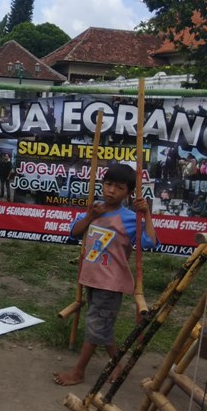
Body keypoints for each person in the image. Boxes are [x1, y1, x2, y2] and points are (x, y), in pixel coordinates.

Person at [53, 163, 159, 386]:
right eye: (108, 184)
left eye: (119, 187)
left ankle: (78, 371)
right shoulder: (95, 209)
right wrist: (90, 216)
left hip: (110, 283)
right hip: (91, 279)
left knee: (96, 327)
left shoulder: (129, 218)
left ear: (128, 193)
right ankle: (117, 365)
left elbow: (150, 242)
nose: (111, 191)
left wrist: (146, 214)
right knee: (102, 325)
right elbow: (74, 232)